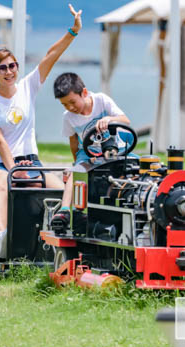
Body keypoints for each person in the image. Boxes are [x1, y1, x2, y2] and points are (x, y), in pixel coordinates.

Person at [0, 4, 82, 259]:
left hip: (31, 161)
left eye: (12, 66)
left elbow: (50, 55)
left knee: (61, 190)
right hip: (1, 164)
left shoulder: (28, 87)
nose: (9, 72)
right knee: (1, 186)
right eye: (2, 68)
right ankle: (2, 238)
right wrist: (13, 170)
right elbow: (0, 141)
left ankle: (62, 241)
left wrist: (73, 31)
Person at [49, 72, 130, 232]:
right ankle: (65, 211)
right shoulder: (69, 118)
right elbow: (73, 142)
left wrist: (109, 119)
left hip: (115, 148)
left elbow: (125, 119)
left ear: (84, 93)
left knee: (135, 166)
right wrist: (77, 163)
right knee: (76, 172)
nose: (70, 107)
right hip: (88, 152)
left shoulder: (101, 100)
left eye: (72, 102)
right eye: (65, 105)